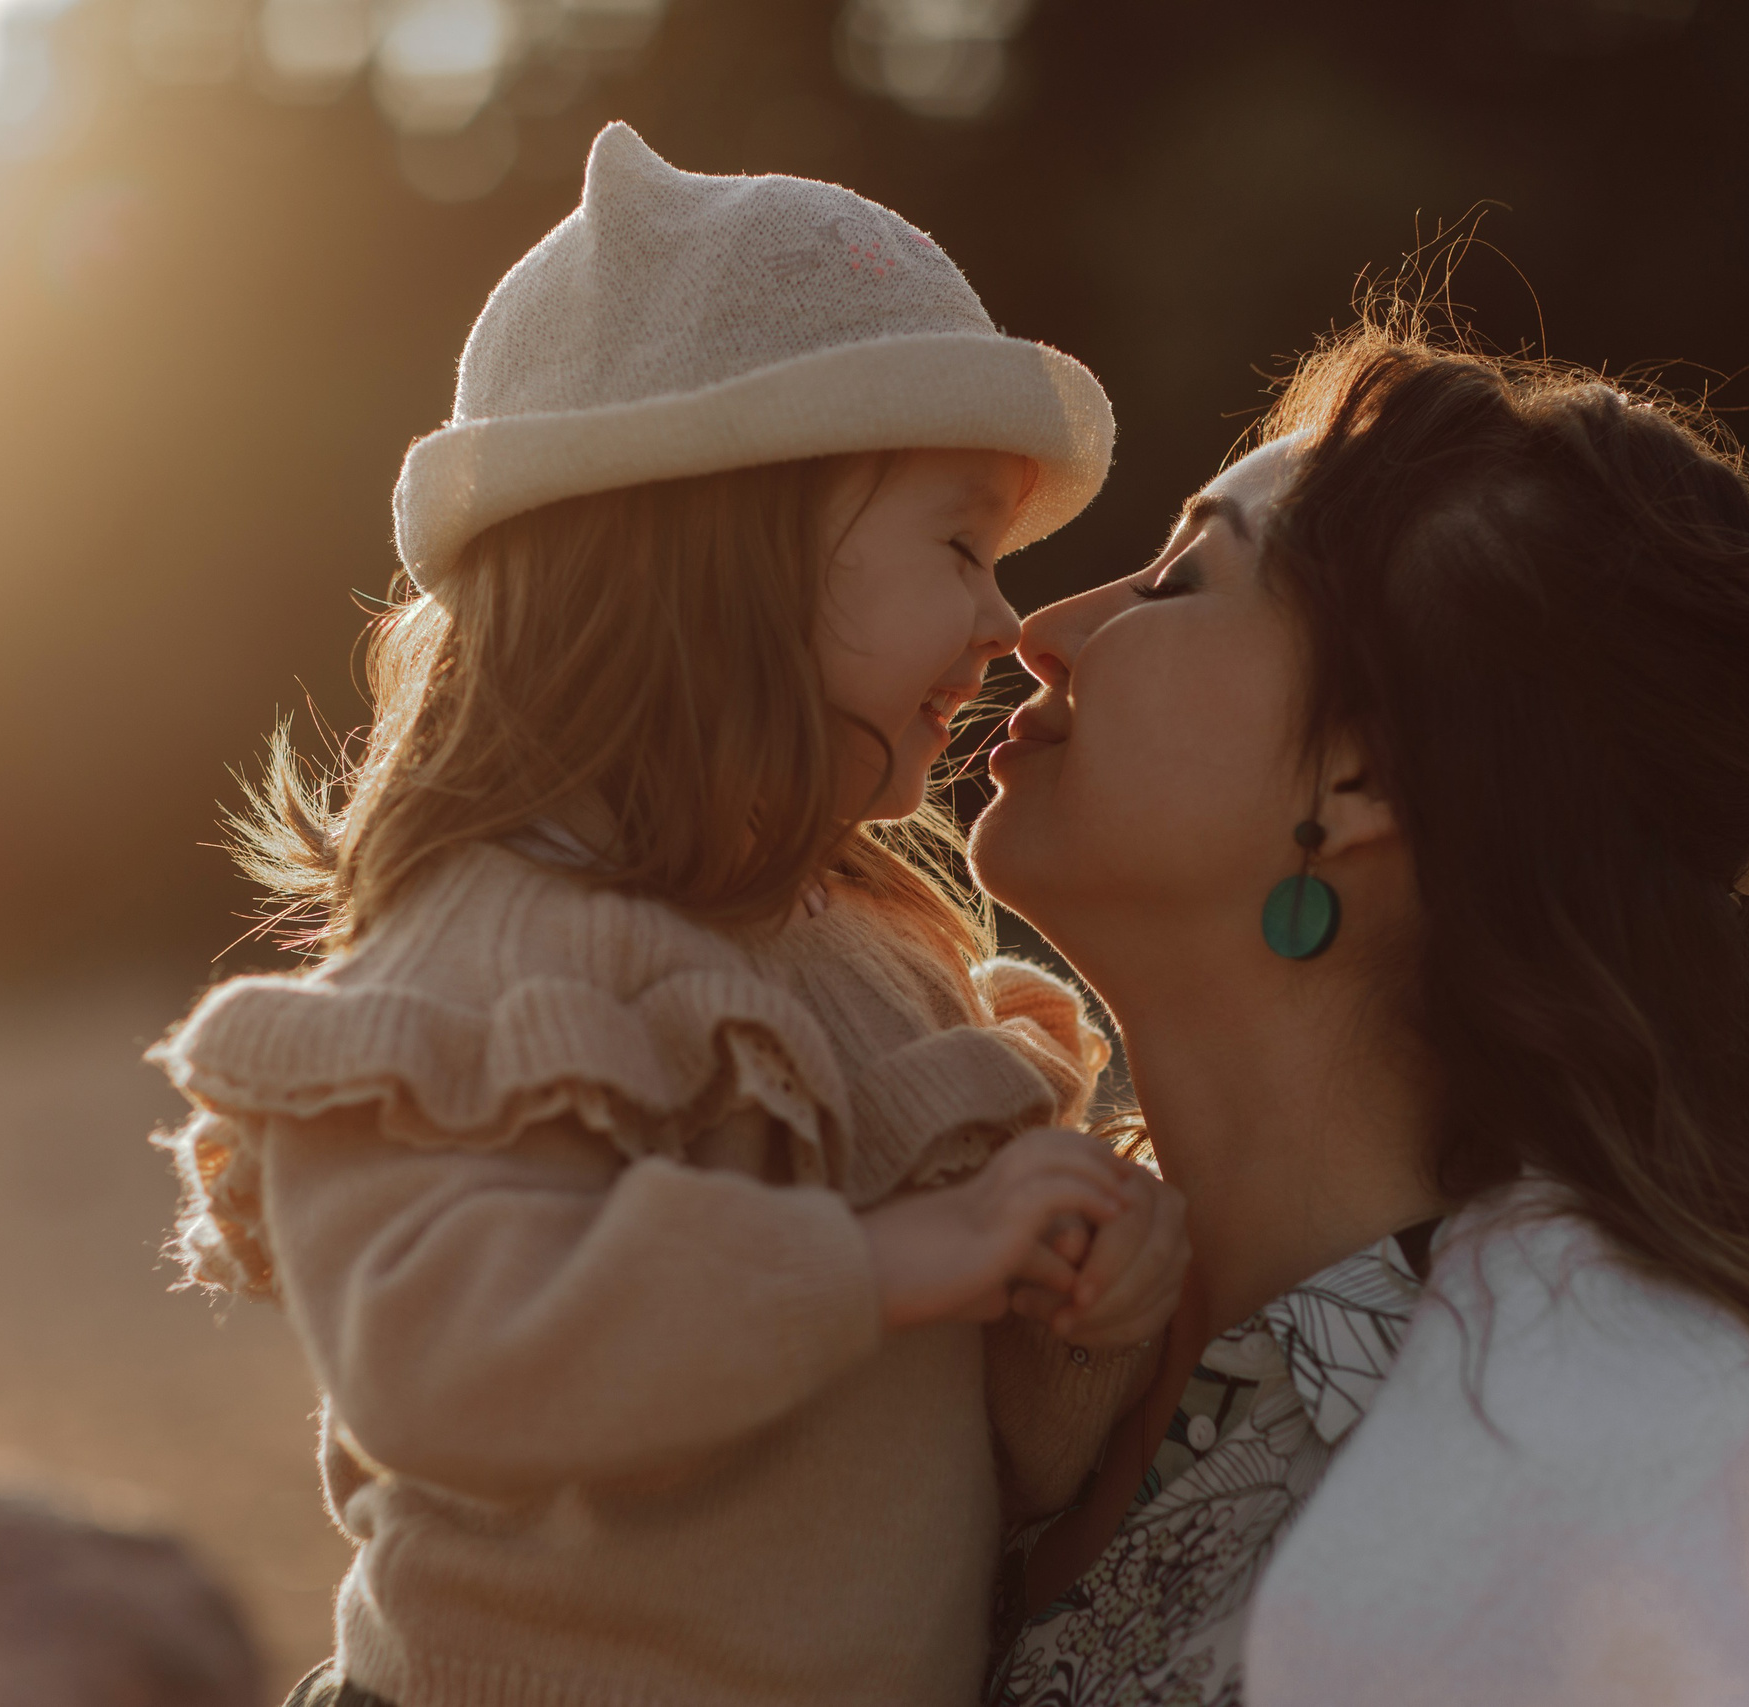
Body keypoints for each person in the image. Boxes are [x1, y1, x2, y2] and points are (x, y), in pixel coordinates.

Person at [146, 125, 1189, 1707]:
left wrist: (1075, 1303)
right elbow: (454, 1364)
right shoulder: (500, 948)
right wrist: (900, 1256)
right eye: (962, 544)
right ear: (727, 551)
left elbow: (965, 1448)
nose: (1003, 621)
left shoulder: (880, 954)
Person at [974, 315, 1749, 1706]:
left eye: (1178, 579)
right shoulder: (1007, 1277)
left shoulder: (1581, 1491)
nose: (1044, 631)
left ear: (1366, 783)